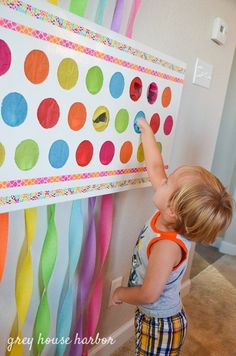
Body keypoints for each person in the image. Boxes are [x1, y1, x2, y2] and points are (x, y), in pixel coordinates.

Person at [112, 117, 233, 355]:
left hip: (161, 325)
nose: (161, 182)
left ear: (172, 209)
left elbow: (148, 294)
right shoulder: (172, 214)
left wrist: (119, 293)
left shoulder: (166, 247)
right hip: (154, 317)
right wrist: (147, 132)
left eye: (167, 184)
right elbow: (156, 167)